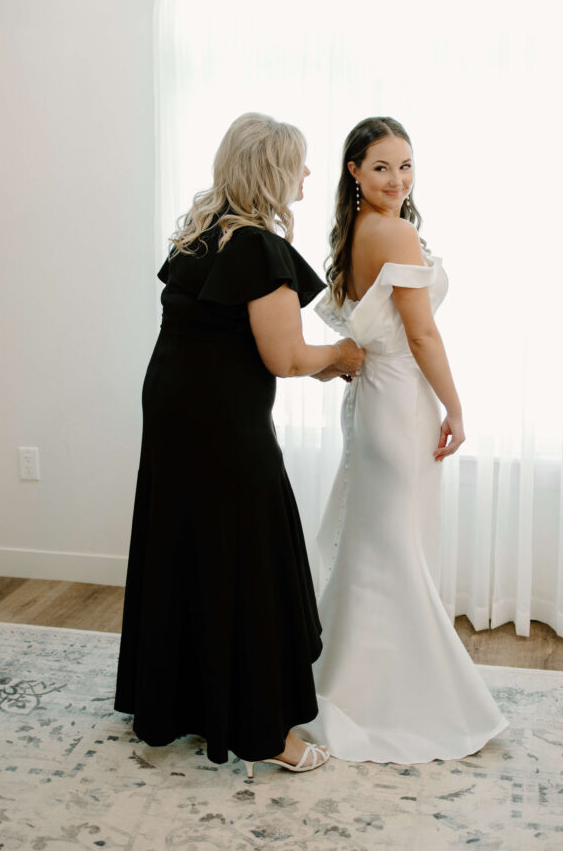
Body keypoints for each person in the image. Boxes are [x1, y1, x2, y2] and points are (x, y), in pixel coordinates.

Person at [114, 112, 365, 778]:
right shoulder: (256, 247)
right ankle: (265, 732)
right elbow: (283, 356)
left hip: (172, 408)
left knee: (188, 542)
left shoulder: (201, 234)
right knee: (250, 553)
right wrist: (340, 352)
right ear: (275, 172)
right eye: (300, 163)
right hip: (220, 420)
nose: (309, 173)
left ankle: (175, 702)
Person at [296, 116, 508, 763]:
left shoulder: (356, 231)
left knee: (377, 546)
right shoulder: (395, 232)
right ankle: (403, 699)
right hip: (400, 403)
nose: (397, 179)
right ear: (354, 171)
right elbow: (420, 336)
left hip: (374, 402)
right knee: (392, 551)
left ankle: (345, 681)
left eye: (406, 165)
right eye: (381, 166)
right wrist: (455, 407)